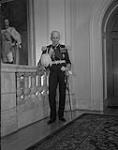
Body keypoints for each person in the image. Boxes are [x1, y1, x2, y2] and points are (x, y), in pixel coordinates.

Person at [38, 31, 71, 124]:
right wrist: (45, 54)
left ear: (59, 38)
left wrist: (67, 69)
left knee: (62, 93)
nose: (55, 39)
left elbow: (68, 61)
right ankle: (52, 116)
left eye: (57, 37)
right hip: (52, 72)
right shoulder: (47, 48)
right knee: (51, 93)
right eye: (53, 37)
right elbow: (43, 62)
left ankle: (61, 115)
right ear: (51, 38)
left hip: (62, 71)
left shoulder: (63, 48)